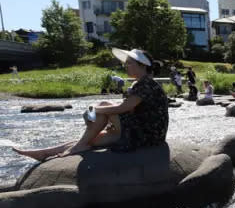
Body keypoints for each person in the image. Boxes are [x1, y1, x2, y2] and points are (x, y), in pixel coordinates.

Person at [13, 48, 169, 160]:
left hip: (146, 136)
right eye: (126, 63)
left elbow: (124, 108)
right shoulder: (141, 83)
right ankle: (45, 152)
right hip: (138, 132)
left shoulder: (147, 84)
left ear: (142, 65)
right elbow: (129, 109)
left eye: (129, 63)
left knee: (103, 105)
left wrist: (95, 109)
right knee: (91, 139)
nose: (125, 66)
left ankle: (76, 147)